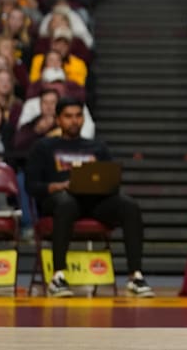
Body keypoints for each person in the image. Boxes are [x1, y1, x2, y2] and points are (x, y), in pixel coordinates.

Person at [25, 97, 154, 298]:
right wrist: (59, 186)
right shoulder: (43, 147)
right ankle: (58, 276)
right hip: (60, 201)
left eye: (78, 116)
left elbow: (112, 180)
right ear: (58, 119)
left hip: (94, 201)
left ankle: (135, 276)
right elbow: (31, 186)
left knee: (130, 206)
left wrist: (105, 185)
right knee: (66, 203)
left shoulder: (97, 147)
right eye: (68, 117)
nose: (74, 121)